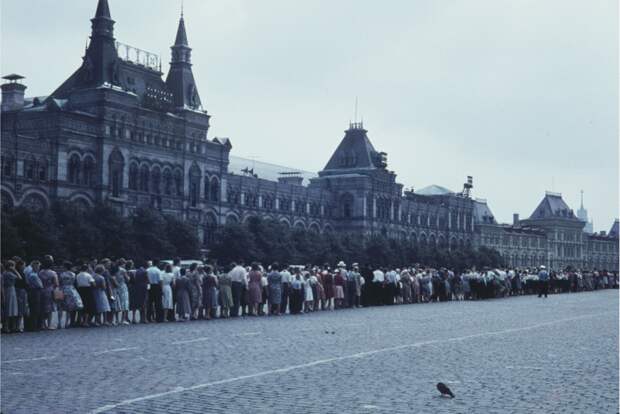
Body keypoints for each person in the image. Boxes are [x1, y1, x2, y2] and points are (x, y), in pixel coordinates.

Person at [58, 261, 83, 329]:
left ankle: (59, 323)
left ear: (65, 267)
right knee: (69, 308)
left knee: (60, 307)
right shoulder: (73, 274)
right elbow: (75, 283)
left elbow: (59, 282)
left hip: (62, 290)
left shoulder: (61, 274)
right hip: (71, 290)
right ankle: (66, 323)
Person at [38, 255, 59, 330]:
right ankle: (49, 325)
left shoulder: (40, 272)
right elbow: (56, 283)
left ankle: (43, 324)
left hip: (42, 290)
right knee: (50, 309)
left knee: (43, 308)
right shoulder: (53, 273)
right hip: (50, 291)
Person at [2, 261, 21, 333]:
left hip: (7, 290)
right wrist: (15, 270)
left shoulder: (4, 273)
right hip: (11, 290)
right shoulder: (9, 273)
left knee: (8, 308)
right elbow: (19, 277)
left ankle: (7, 326)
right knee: (11, 308)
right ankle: (10, 327)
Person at [25, 260, 43, 331]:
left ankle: (33, 325)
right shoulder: (33, 275)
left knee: (33, 309)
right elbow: (40, 285)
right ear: (35, 266)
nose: (39, 268)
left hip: (32, 291)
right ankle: (34, 326)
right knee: (35, 309)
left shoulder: (32, 274)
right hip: (35, 292)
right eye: (38, 266)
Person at [114, 259, 130, 325]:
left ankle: (117, 320)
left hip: (116, 287)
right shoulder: (123, 270)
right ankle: (123, 320)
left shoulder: (115, 269)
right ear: (123, 264)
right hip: (123, 287)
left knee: (117, 303)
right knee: (124, 303)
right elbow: (128, 279)